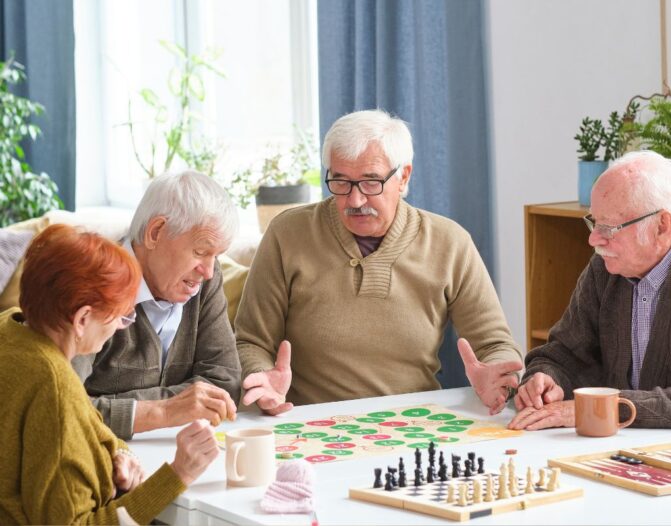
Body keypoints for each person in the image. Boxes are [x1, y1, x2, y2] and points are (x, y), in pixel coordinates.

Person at [236, 109, 523, 415]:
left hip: (413, 423)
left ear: (404, 176)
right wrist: (261, 378)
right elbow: (251, 341)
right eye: (341, 181)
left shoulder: (449, 242)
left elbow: (494, 344)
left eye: (371, 182)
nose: (355, 201)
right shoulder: (288, 234)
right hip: (309, 421)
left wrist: (500, 376)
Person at [0, 224, 219, 524]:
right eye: (120, 315)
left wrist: (116, 450)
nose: (120, 325)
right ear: (82, 319)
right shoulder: (54, 386)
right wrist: (179, 473)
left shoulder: (10, 328)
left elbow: (81, 427)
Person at [509, 150, 671, 431]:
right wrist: (546, 378)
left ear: (662, 225)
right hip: (621, 448)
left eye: (609, 227)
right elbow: (564, 352)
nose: (593, 239)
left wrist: (596, 410)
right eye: (593, 221)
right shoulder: (607, 268)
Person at [77, 171, 241, 440]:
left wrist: (114, 406)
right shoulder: (92, 282)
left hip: (178, 448)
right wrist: (162, 412)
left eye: (216, 256)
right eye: (200, 252)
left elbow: (224, 383)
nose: (209, 271)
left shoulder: (204, 280)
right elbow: (63, 409)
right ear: (155, 232)